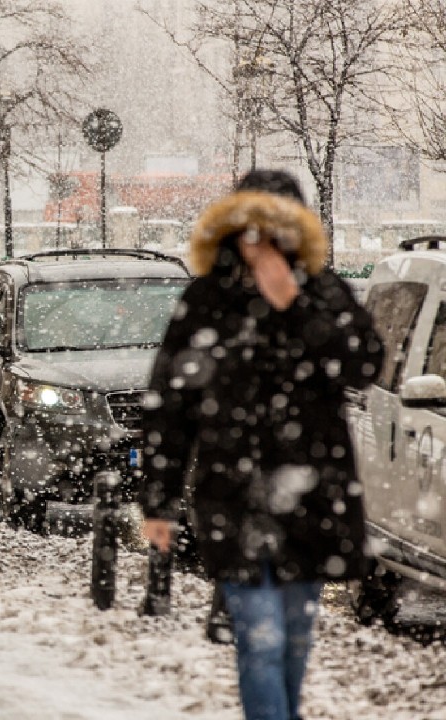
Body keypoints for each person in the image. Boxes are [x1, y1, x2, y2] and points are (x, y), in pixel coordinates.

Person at [139, 169, 384, 720]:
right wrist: (159, 500)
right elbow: (169, 406)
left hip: (313, 494)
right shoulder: (208, 301)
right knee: (260, 639)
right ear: (233, 231)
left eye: (278, 231)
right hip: (233, 495)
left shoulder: (323, 292)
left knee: (295, 637)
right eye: (253, 231)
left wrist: (295, 306)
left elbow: (365, 365)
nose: (264, 245)